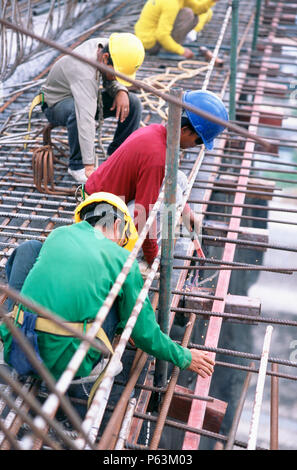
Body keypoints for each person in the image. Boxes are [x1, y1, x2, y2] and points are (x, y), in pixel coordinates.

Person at [0, 192, 214, 417]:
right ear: (118, 223)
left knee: (30, 249)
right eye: (123, 239)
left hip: (19, 344)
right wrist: (184, 356)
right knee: (116, 299)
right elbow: (144, 333)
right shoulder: (123, 260)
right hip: (67, 361)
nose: (122, 245)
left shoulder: (58, 234)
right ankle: (92, 375)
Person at [84, 89, 229, 269]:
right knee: (167, 204)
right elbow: (143, 215)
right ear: (184, 130)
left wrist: (187, 212)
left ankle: (149, 246)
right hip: (99, 215)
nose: (196, 146)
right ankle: (137, 259)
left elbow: (169, 180)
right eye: (198, 141)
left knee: (179, 180)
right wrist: (154, 259)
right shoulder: (156, 159)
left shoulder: (157, 132)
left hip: (106, 198)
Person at [40, 33, 145, 184]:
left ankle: (118, 155)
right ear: (105, 58)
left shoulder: (107, 48)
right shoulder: (83, 70)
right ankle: (77, 165)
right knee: (78, 112)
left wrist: (121, 90)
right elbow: (85, 117)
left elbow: (110, 76)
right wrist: (89, 165)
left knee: (133, 103)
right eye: (116, 75)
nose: (116, 78)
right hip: (55, 104)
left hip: (82, 95)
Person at [134, 0, 220, 60]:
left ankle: (170, 47)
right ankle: (167, 51)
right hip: (150, 44)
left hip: (147, 38)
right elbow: (162, 35)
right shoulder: (170, 3)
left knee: (194, 16)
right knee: (188, 14)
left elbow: (197, 9)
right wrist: (181, 50)